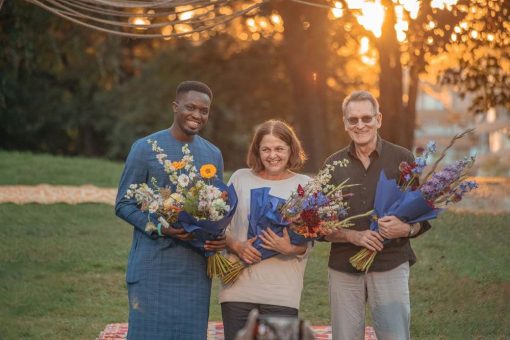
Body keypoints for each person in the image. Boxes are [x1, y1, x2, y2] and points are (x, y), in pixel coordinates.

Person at [115, 80, 226, 340]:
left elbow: (217, 208)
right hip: (153, 266)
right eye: (191, 107)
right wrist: (162, 228)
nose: (197, 115)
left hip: (194, 270)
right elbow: (123, 204)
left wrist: (217, 234)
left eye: (204, 110)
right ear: (175, 107)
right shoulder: (144, 149)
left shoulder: (213, 154)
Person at [323, 90, 432, 340]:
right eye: (353, 120)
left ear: (378, 119)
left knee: (395, 335)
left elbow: (422, 217)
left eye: (366, 118)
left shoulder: (402, 159)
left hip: (391, 262)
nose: (360, 125)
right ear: (345, 123)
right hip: (344, 266)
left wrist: (405, 229)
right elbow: (317, 226)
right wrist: (353, 236)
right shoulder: (332, 165)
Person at [219, 120, 311, 340]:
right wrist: (236, 245)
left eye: (279, 148)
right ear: (257, 151)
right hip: (237, 287)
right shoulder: (240, 178)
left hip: (282, 289)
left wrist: (289, 248)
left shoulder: (304, 185)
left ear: (291, 150)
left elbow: (308, 242)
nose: (272, 155)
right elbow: (220, 227)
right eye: (266, 149)